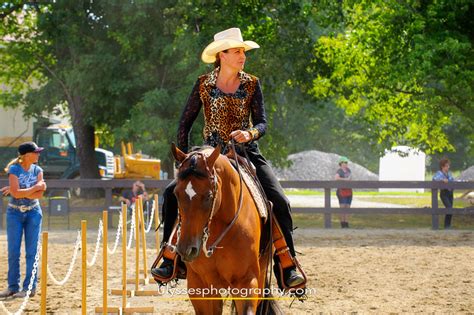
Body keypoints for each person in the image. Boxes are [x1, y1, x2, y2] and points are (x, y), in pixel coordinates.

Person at [152, 27, 304, 287]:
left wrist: (250, 133)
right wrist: (186, 160)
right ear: (221, 55)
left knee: (279, 199)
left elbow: (263, 123)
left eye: (243, 51)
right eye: (236, 51)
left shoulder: (251, 83)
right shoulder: (203, 84)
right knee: (170, 194)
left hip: (245, 153)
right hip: (208, 153)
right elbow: (184, 124)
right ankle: (169, 257)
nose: (242, 55)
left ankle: (285, 263)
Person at [0, 141, 46, 299]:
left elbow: (38, 195)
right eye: (36, 152)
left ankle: (29, 288)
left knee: (32, 252)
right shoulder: (14, 170)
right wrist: (34, 188)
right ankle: (12, 287)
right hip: (14, 213)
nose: (38, 154)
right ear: (27, 155)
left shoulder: (38, 170)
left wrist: (19, 191)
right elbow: (17, 193)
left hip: (34, 212)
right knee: (13, 251)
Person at [432, 158, 455, 229]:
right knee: (449, 208)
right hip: (444, 193)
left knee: (450, 209)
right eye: (447, 166)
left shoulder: (449, 173)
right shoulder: (439, 173)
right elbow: (434, 178)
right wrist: (442, 180)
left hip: (450, 193)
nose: (448, 167)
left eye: (448, 166)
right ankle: (446, 226)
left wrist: (448, 180)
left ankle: (447, 225)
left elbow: (452, 180)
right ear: (443, 166)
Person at [335, 156, 352, 228]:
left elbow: (350, 178)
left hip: (349, 190)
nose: (345, 164)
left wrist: (349, 180)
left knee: (348, 207)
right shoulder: (339, 171)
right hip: (341, 191)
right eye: (344, 162)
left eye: (346, 162)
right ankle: (342, 223)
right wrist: (345, 179)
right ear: (340, 163)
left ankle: (346, 222)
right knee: (342, 207)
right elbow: (336, 178)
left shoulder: (349, 170)